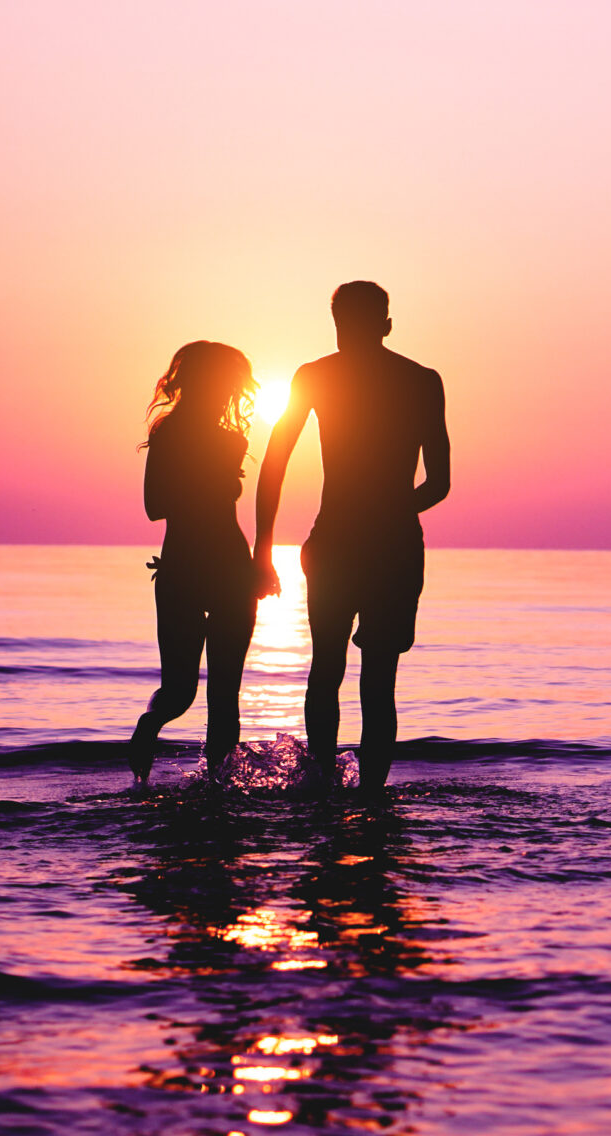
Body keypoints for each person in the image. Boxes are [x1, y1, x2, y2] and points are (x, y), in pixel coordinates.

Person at [253, 282, 451, 792]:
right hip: (389, 544)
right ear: (385, 323)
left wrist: (263, 546)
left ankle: (323, 792)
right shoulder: (420, 380)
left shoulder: (318, 376)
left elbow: (274, 463)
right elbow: (439, 483)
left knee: (328, 669)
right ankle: (369, 800)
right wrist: (392, 508)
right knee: (376, 681)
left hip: (343, 540)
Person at [128, 341, 261, 784]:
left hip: (221, 570)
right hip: (191, 569)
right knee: (189, 694)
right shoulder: (174, 436)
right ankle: (152, 746)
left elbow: (215, 512)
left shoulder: (227, 439)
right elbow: (154, 506)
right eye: (226, 382)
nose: (229, 392)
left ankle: (216, 791)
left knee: (211, 696)